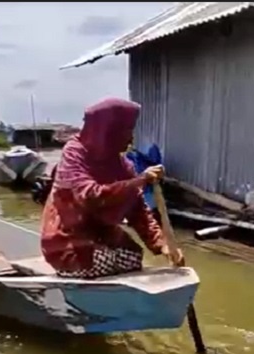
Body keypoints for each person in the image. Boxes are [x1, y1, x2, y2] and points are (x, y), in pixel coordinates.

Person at [40, 97, 184, 279]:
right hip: (68, 240)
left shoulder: (122, 164)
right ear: (107, 130)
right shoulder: (75, 153)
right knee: (100, 261)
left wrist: (163, 245)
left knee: (132, 256)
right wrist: (140, 181)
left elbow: (138, 211)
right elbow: (88, 195)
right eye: (126, 131)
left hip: (102, 237)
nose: (131, 138)